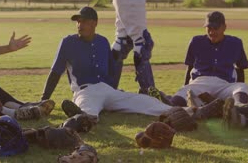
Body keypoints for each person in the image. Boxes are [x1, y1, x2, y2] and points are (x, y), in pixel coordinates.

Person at [40, 7, 192, 121]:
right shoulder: (68, 42)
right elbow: (55, 73)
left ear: (95, 23)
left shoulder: (103, 42)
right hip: (85, 92)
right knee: (88, 113)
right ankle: (81, 119)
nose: (80, 24)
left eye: (84, 21)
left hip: (108, 91)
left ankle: (189, 112)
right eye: (78, 21)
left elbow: (112, 70)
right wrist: (43, 100)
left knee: (146, 101)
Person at [169, 11, 248, 107]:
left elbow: (241, 68)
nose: (211, 32)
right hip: (200, 83)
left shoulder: (235, 43)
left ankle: (237, 108)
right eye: (209, 28)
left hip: (224, 85)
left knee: (243, 87)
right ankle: (170, 105)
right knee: (184, 91)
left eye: (215, 28)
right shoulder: (196, 41)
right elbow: (190, 66)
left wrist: (237, 87)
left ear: (224, 27)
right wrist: (186, 86)